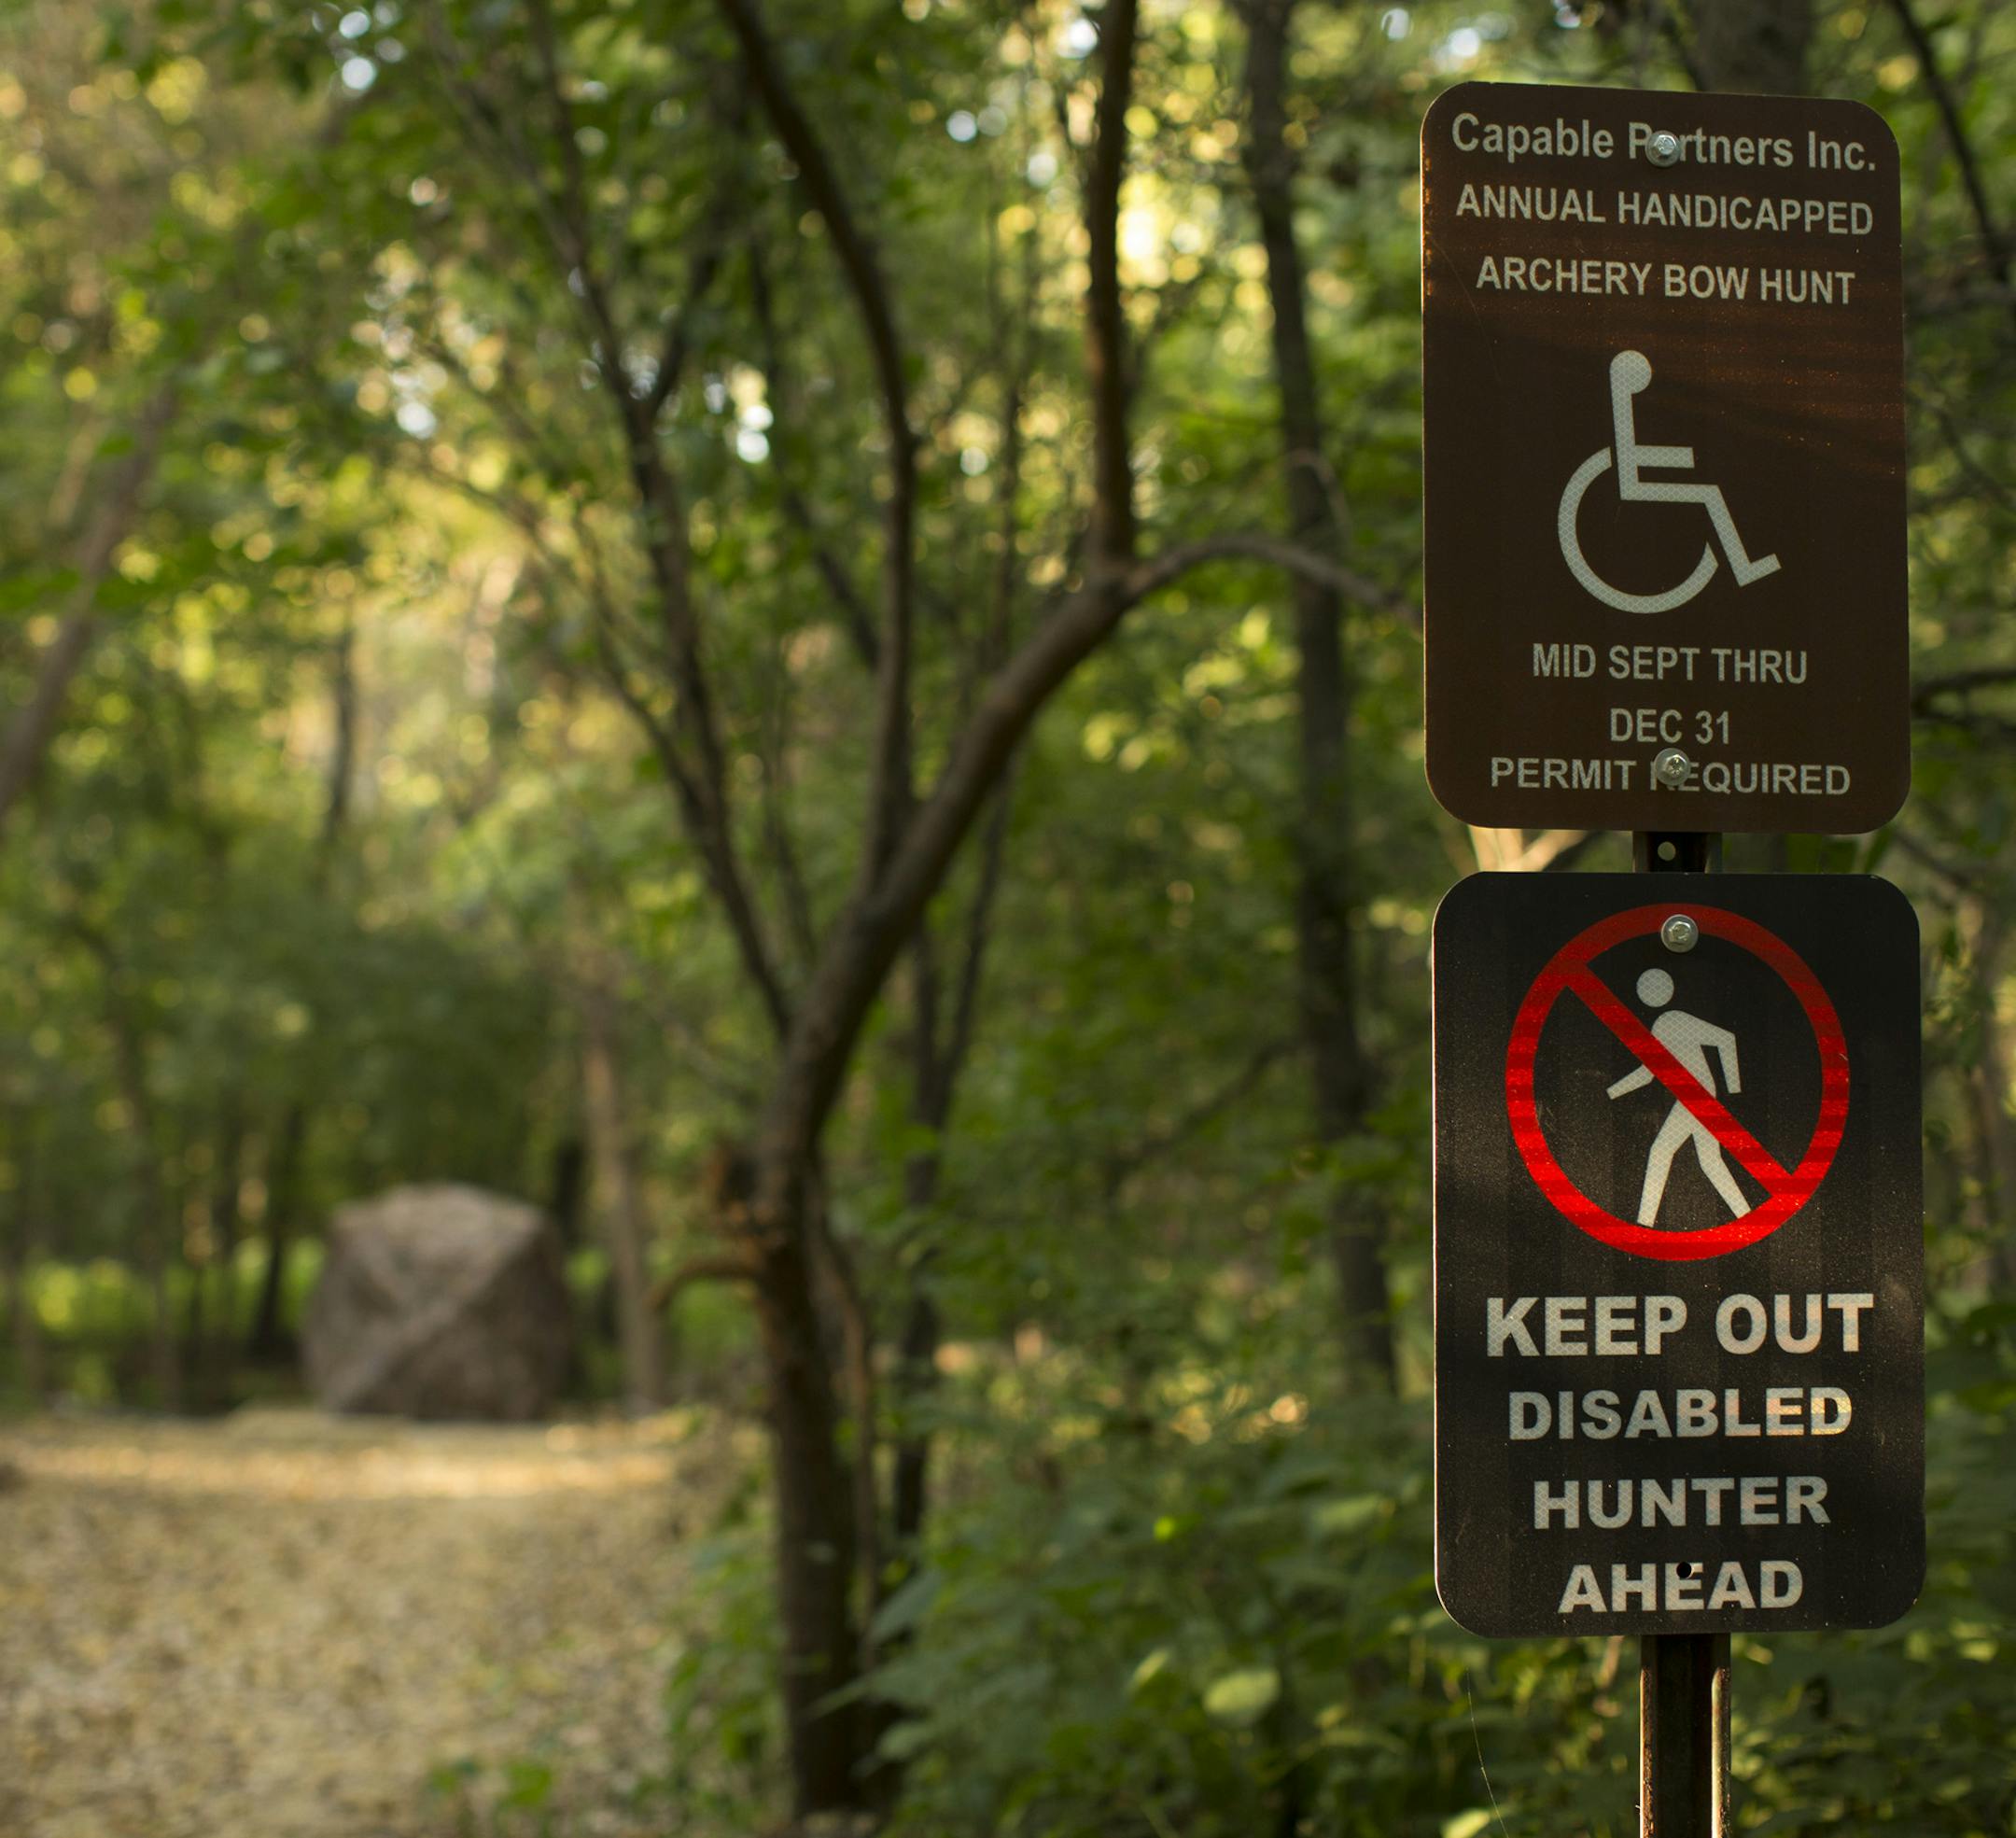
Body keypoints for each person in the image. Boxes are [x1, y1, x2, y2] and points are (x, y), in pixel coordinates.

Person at [1606, 966, 1752, 1226]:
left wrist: (1734, 1089)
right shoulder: (1662, 1025)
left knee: (1661, 1151)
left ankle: (1644, 1224)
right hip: (1695, 1097)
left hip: (1697, 1098)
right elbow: (1648, 1073)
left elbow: (1725, 1039)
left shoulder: (1673, 1020)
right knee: (1710, 1161)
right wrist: (1612, 1092)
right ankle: (1746, 1215)